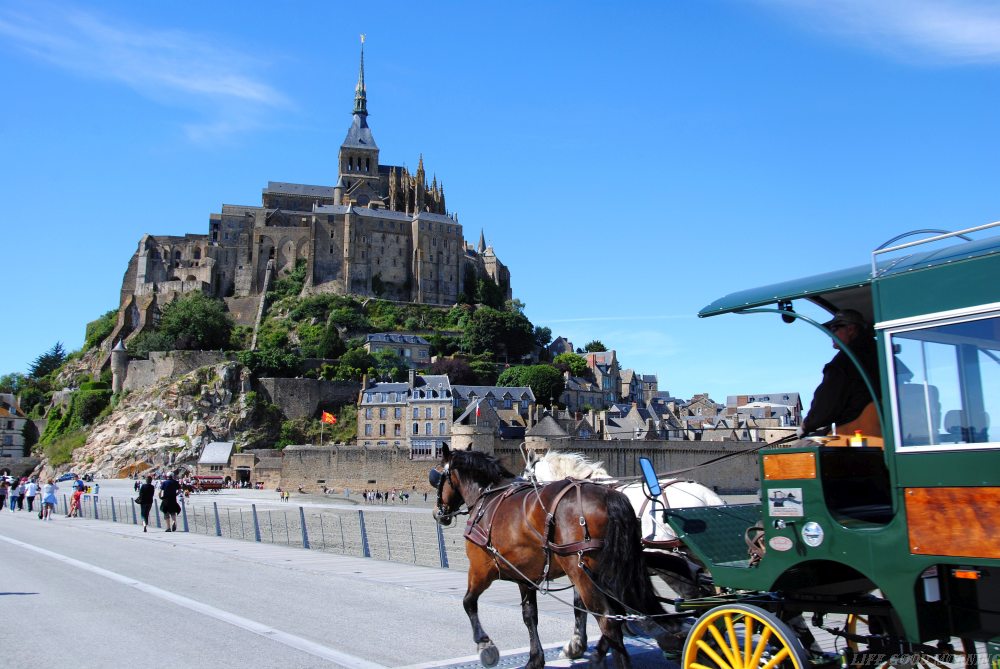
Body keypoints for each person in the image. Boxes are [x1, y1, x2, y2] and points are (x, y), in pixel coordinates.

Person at [799, 309, 881, 436]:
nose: (830, 334)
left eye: (834, 329)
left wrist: (806, 425)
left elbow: (826, 405)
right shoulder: (880, 353)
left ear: (851, 329)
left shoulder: (844, 362)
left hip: (856, 433)